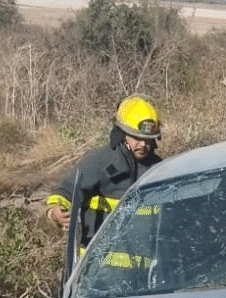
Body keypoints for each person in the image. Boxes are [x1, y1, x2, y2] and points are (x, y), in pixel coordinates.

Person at [46, 95, 163, 248]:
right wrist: (54, 212)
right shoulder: (98, 161)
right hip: (98, 268)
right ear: (122, 134)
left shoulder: (159, 169)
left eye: (148, 139)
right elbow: (65, 190)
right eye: (136, 137)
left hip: (143, 269)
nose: (143, 144)